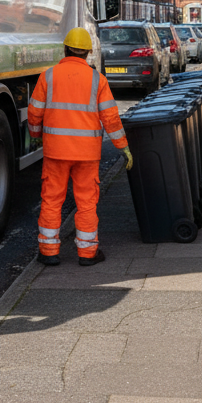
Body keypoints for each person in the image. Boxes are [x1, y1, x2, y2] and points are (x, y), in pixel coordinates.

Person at [27, 28, 132, 267]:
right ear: (87, 53)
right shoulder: (98, 79)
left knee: (52, 200)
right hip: (87, 154)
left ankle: (49, 251)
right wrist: (123, 147)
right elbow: (111, 118)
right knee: (86, 202)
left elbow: (34, 113)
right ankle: (87, 253)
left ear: (64, 49)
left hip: (56, 152)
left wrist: (36, 137)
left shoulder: (48, 76)